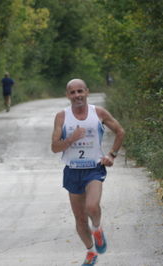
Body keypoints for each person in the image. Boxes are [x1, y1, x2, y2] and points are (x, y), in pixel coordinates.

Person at [51, 79, 125, 265]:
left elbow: (120, 131)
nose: (77, 95)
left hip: (94, 169)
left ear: (87, 92)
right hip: (72, 171)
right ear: (67, 95)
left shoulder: (98, 113)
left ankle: (98, 229)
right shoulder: (62, 117)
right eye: (73, 92)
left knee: (92, 207)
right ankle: (91, 252)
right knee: (80, 217)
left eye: (80, 91)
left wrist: (112, 154)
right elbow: (54, 147)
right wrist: (70, 139)